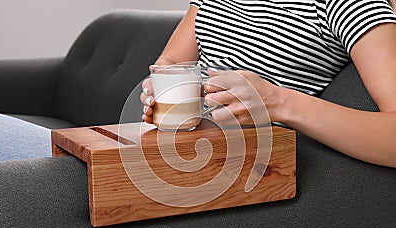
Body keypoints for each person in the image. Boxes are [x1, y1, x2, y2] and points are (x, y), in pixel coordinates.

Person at [140, 0, 396, 168]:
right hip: (181, 147)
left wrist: (277, 102)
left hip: (250, 168)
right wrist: (160, 85)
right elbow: (171, 61)